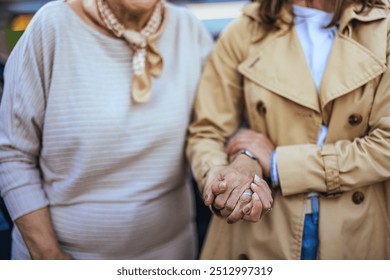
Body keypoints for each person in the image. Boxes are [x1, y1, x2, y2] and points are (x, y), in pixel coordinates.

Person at [0, 0, 214, 259]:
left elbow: (212, 130)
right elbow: (11, 153)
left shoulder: (188, 27)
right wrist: (49, 255)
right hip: (63, 257)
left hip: (171, 254)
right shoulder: (52, 25)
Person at [187, 0, 390, 259]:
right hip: (261, 226)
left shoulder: (383, 29)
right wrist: (221, 180)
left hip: (357, 228)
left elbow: (386, 145)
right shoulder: (243, 32)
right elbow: (208, 133)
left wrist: (277, 164)